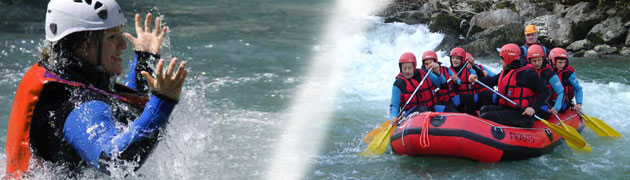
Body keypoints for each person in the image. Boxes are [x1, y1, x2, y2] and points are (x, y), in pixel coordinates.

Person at [5, 0, 188, 177]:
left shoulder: (64, 78)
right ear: (81, 45)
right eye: (111, 37)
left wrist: (143, 62)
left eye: (120, 34)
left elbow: (116, 109)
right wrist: (163, 101)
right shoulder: (76, 106)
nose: (123, 45)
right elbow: (115, 159)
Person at [469, 44, 551, 128]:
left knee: (485, 117)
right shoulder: (507, 71)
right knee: (484, 109)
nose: (501, 62)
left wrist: (533, 108)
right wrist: (476, 79)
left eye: (502, 59)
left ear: (508, 59)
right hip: (510, 109)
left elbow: (545, 91)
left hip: (523, 115)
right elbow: (490, 82)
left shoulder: (527, 74)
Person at [390, 52, 445, 124]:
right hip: (411, 115)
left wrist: (438, 73)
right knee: (423, 109)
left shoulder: (425, 73)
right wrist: (393, 117)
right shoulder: (398, 83)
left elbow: (443, 85)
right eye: (404, 68)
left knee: (451, 110)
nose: (407, 71)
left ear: (414, 66)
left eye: (409, 68)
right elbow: (394, 105)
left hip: (431, 109)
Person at [524, 45, 564, 117]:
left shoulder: (548, 73)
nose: (537, 63)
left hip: (545, 104)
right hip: (529, 103)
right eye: (534, 61)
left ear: (543, 59)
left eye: (539, 60)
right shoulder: (525, 71)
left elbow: (561, 92)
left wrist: (556, 107)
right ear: (529, 60)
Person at [549, 47, 583, 114]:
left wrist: (579, 104)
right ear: (553, 61)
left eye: (564, 62)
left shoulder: (568, 73)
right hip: (551, 101)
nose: (562, 65)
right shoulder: (548, 71)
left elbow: (578, 89)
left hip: (564, 103)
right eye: (560, 62)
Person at [448, 47, 478, 116]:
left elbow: (475, 75)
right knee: (468, 97)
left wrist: (474, 77)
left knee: (485, 94)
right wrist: (455, 82)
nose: (454, 60)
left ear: (462, 60)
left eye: (457, 58)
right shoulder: (448, 71)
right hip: (456, 100)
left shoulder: (469, 70)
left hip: (469, 100)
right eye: (453, 58)